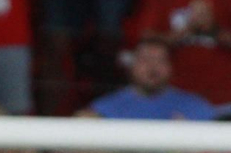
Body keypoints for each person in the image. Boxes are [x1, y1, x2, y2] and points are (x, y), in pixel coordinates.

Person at [88, 35, 217, 121]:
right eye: (145, 60)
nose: (153, 67)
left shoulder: (195, 107)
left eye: (160, 61)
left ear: (170, 67)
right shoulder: (104, 109)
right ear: (132, 66)